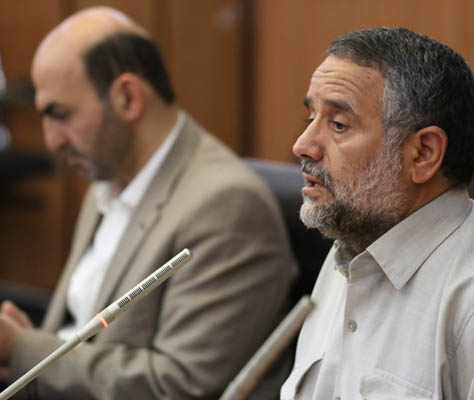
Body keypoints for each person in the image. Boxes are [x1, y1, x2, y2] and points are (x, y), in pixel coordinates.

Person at [281, 27, 474, 399]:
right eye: (311, 118)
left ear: (423, 154)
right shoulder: (349, 254)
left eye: (338, 125)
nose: (303, 145)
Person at [0, 6, 297, 400]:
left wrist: (24, 349)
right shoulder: (107, 172)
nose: (52, 140)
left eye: (60, 114)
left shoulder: (226, 205)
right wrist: (26, 346)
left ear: (127, 98)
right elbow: (82, 329)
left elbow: (180, 385)